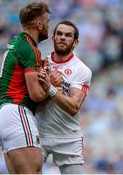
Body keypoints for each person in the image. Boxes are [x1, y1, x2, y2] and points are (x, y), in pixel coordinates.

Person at [0, 2, 51, 174]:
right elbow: (36, 95)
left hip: (5, 115)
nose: (49, 25)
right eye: (48, 21)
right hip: (17, 114)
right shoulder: (29, 48)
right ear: (39, 24)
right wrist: (52, 86)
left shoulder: (16, 42)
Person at [36, 21, 92, 174]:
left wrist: (50, 89)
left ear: (76, 42)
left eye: (68, 35)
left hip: (68, 137)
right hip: (38, 133)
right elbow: (30, 102)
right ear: (53, 38)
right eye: (59, 34)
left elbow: (73, 107)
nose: (62, 38)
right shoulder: (39, 63)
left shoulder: (81, 70)